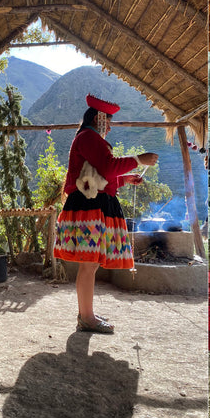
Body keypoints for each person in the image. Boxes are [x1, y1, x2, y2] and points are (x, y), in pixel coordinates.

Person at [54, 95, 158, 334]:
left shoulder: (90, 139)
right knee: (89, 265)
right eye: (108, 121)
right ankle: (87, 318)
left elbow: (102, 177)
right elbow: (108, 166)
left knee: (90, 265)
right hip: (89, 207)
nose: (110, 127)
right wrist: (137, 160)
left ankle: (86, 314)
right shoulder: (89, 137)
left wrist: (124, 179)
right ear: (99, 118)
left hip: (92, 205)